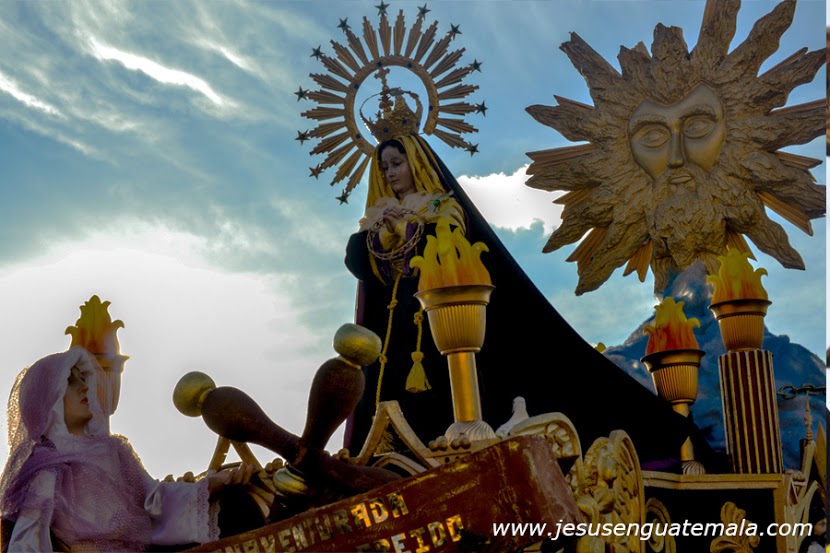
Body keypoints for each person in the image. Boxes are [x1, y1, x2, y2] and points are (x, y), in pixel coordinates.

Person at [343, 130, 705, 467]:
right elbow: (358, 261)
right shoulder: (375, 218)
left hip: (438, 328)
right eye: (385, 167)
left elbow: (448, 247)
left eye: (397, 163)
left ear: (417, 165)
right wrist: (382, 234)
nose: (391, 173)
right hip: (393, 335)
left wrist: (405, 228)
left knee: (440, 402)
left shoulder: (440, 207)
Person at [0, 346, 253, 552]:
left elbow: (155, 501)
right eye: (70, 381)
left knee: (239, 507)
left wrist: (209, 486)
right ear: (48, 400)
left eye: (83, 379)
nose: (84, 387)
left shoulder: (114, 451)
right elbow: (28, 540)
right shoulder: (47, 469)